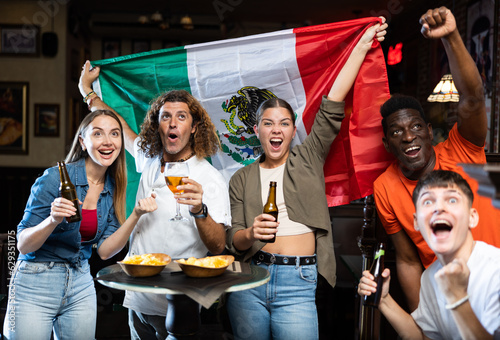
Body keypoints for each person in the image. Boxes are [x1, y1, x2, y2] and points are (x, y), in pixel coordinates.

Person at [225, 20, 387, 340]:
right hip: (249, 279)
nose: (276, 130)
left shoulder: (308, 157)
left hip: (297, 282)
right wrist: (249, 232)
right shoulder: (241, 178)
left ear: (292, 130)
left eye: (284, 123)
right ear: (256, 131)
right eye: (268, 124)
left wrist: (362, 44)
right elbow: (233, 240)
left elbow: (332, 105)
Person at [79, 63, 231, 340]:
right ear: (156, 125)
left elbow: (218, 245)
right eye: (165, 117)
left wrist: (199, 210)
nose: (173, 123)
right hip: (137, 297)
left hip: (178, 303)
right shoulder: (148, 159)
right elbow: (118, 124)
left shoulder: (209, 178)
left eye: (181, 117)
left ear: (195, 127)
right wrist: (86, 91)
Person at [373, 6, 500, 312]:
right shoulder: (385, 186)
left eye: (416, 127)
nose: (408, 136)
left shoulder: (461, 149)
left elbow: (471, 97)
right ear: (387, 143)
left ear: (429, 132)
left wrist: (451, 37)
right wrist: (422, 320)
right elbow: (407, 259)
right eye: (397, 132)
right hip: (448, 297)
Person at [2, 109, 158, 340]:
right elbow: (23, 245)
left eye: (114, 134)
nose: (107, 141)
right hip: (34, 281)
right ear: (83, 142)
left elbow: (105, 251)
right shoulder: (54, 178)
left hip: (80, 281)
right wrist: (52, 220)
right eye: (98, 134)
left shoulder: (115, 186)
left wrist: (135, 215)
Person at [359, 170, 500, 339]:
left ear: (472, 217)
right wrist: (384, 299)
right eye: (428, 201)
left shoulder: (495, 270)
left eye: (452, 200)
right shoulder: (429, 277)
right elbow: (422, 337)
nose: (438, 208)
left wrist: (458, 299)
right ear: (417, 222)